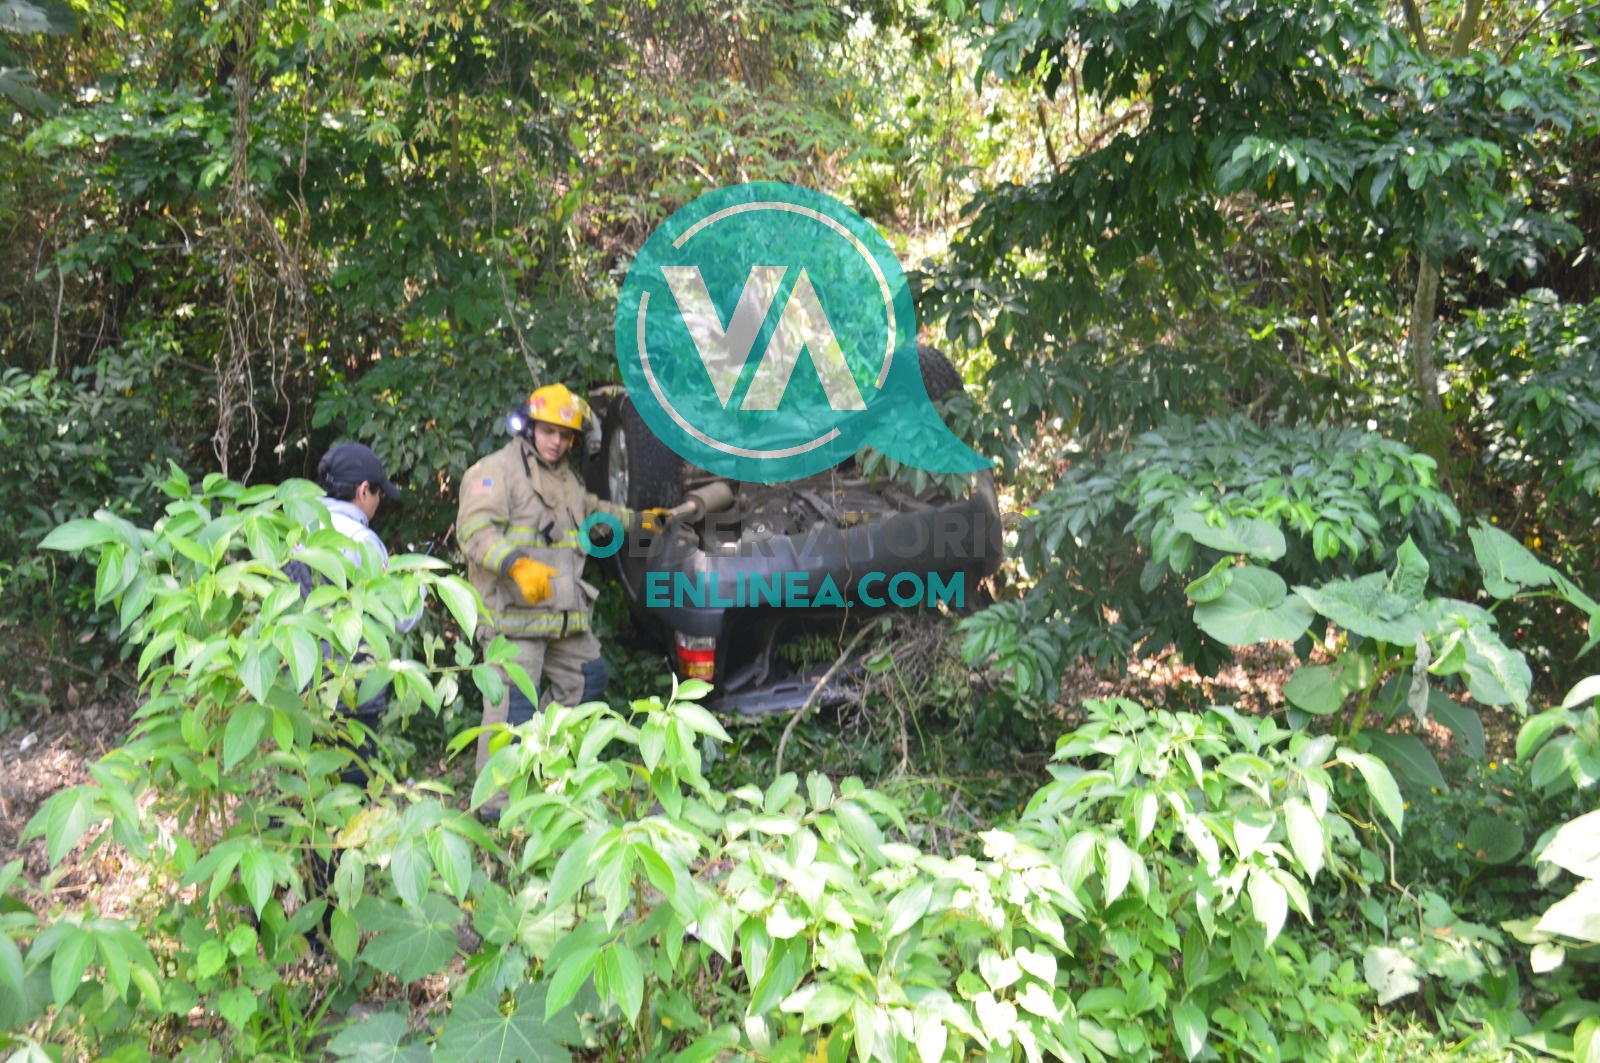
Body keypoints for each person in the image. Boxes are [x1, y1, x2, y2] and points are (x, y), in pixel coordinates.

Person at [456, 384, 667, 786]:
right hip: (512, 618)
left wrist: (638, 519)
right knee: (511, 709)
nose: (556, 441)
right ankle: (499, 804)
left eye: (564, 434)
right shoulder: (496, 471)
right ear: (531, 427)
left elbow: (590, 510)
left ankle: (543, 759)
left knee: (589, 680)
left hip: (561, 614)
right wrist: (516, 565)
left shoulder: (565, 478)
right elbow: (472, 531)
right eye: (548, 431)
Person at [284, 441, 423, 785]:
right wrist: (416, 585)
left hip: (297, 689)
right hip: (352, 691)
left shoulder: (295, 531)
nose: (378, 503)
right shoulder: (363, 540)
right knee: (350, 794)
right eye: (378, 494)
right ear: (364, 491)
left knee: (303, 791)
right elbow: (399, 617)